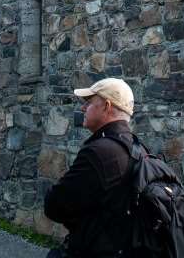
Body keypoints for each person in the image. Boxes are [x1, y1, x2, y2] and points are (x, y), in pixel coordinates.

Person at [42, 78, 139, 258]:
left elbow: (54, 205)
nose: (83, 108)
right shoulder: (139, 149)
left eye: (89, 102)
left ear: (107, 106)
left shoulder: (99, 153)